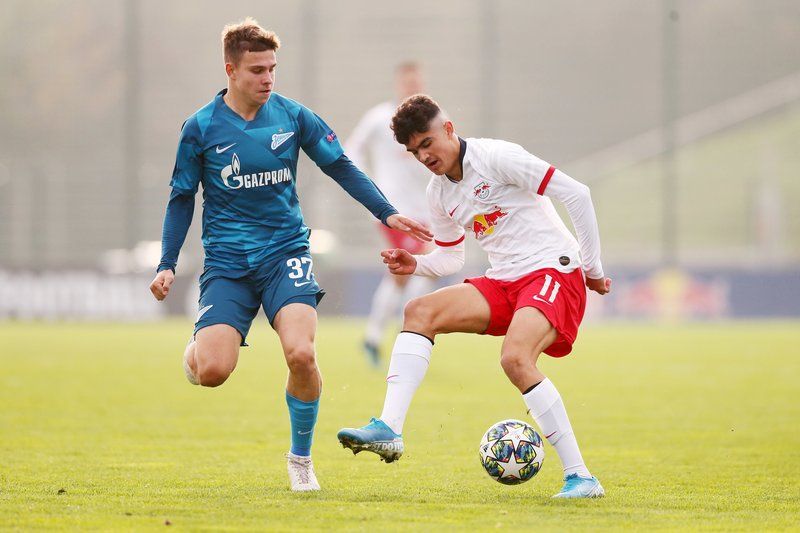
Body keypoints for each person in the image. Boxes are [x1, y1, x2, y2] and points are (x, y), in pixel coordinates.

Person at [148, 18, 431, 492]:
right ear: (230, 70)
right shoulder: (199, 128)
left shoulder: (293, 115)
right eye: (257, 70)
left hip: (285, 254)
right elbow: (180, 199)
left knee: (301, 353)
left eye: (273, 70)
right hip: (227, 265)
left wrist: (387, 212)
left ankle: (300, 460)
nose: (267, 79)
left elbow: (340, 165)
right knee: (213, 372)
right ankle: (197, 354)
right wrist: (167, 263)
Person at [337, 95, 611, 499]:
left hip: (554, 269)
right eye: (414, 152)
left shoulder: (498, 157)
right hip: (505, 281)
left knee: (515, 358)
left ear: (448, 128)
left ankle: (581, 477)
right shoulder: (439, 193)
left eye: (427, 143)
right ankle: (390, 428)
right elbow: (451, 257)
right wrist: (415, 264)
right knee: (418, 310)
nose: (423, 156)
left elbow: (578, 194)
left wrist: (593, 268)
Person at [345, 63, 434, 366]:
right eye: (407, 82)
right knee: (406, 271)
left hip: (425, 210)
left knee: (425, 270)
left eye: (416, 81)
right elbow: (351, 149)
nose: (411, 86)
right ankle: (389, 335)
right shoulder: (380, 118)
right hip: (393, 210)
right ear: (398, 84)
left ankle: (383, 335)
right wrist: (369, 186)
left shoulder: (434, 117)